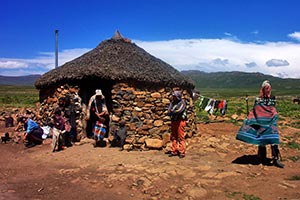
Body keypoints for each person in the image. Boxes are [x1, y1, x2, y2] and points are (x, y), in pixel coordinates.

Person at [236, 80, 284, 168]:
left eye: (268, 88)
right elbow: (256, 110)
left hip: (271, 122)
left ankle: (275, 158)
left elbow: (272, 110)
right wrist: (251, 119)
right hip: (261, 122)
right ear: (262, 89)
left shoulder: (273, 99)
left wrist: (273, 116)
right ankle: (262, 157)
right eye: (266, 88)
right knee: (262, 140)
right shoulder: (258, 100)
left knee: (274, 140)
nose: (267, 90)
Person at [167, 90, 187, 158]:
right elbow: (169, 111)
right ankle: (174, 150)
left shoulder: (182, 102)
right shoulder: (172, 103)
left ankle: (181, 151)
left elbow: (179, 111)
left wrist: (173, 111)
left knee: (180, 136)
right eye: (173, 96)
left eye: (174, 96)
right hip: (174, 121)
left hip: (180, 121)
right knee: (173, 136)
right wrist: (172, 111)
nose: (173, 97)